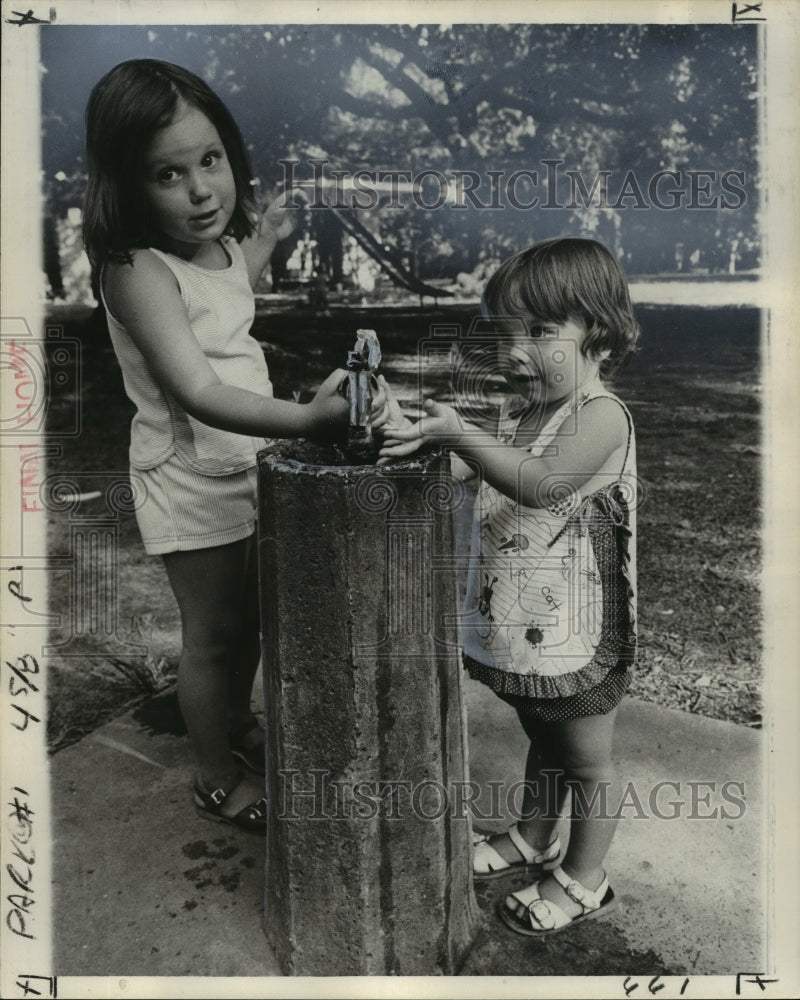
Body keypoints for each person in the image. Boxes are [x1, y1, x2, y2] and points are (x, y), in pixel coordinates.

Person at [83, 59, 385, 833]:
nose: (201, 190)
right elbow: (200, 388)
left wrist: (268, 238)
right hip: (189, 474)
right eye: (168, 174)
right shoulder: (134, 271)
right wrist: (312, 422)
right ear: (124, 185)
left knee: (250, 621)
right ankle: (214, 773)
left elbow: (227, 291)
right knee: (213, 636)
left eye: (210, 160)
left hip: (245, 463)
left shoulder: (209, 253)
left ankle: (230, 721)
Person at [379, 237, 639, 935]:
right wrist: (424, 444)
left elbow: (540, 482)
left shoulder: (601, 415)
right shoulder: (524, 417)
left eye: (540, 331)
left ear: (600, 335)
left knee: (587, 761)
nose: (514, 349)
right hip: (527, 626)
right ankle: (532, 836)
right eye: (503, 333)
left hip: (578, 630)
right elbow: (474, 475)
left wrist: (463, 437)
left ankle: (586, 878)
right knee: (543, 733)